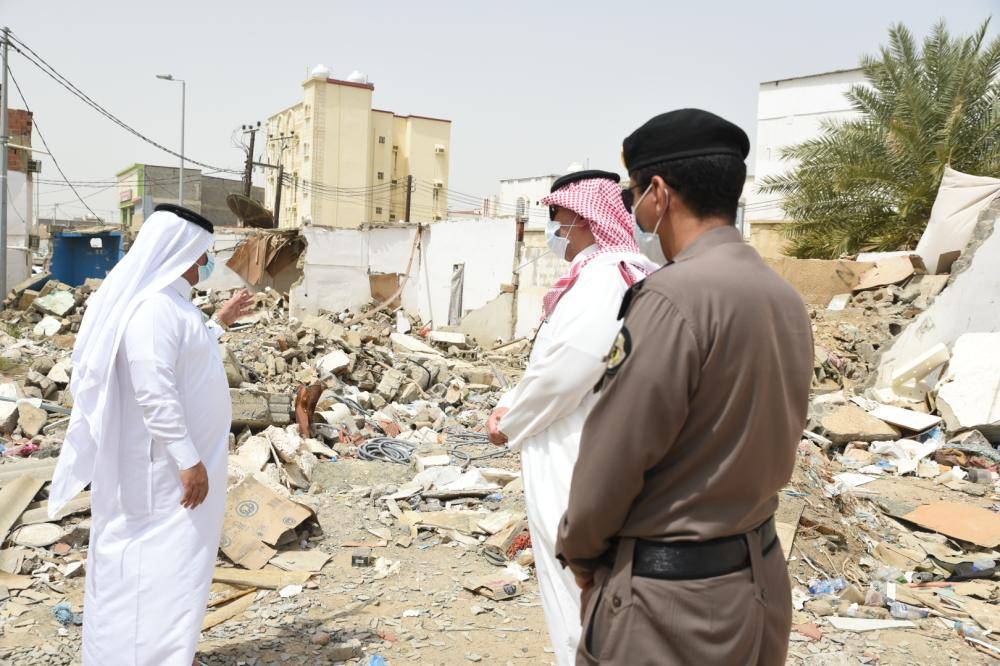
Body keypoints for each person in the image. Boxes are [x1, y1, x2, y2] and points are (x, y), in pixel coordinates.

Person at [555, 109, 814, 665]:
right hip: (759, 584)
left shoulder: (672, 298)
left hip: (671, 606)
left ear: (659, 193)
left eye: (634, 194)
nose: (634, 209)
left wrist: (580, 552)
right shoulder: (783, 296)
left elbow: (615, 456)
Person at [48, 204, 254, 666]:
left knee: (176, 569)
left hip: (171, 470)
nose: (205, 263)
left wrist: (219, 322)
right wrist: (188, 459)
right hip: (161, 473)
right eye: (201, 254)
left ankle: (166, 653)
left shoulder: (172, 305)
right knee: (152, 570)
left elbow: (188, 353)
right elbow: (154, 390)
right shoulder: (154, 309)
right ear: (181, 252)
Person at [487, 171, 659, 665]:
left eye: (559, 219)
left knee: (576, 590)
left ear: (584, 220)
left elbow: (568, 369)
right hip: (614, 454)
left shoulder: (604, 279)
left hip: (573, 455)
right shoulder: (633, 271)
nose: (554, 231)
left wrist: (510, 420)